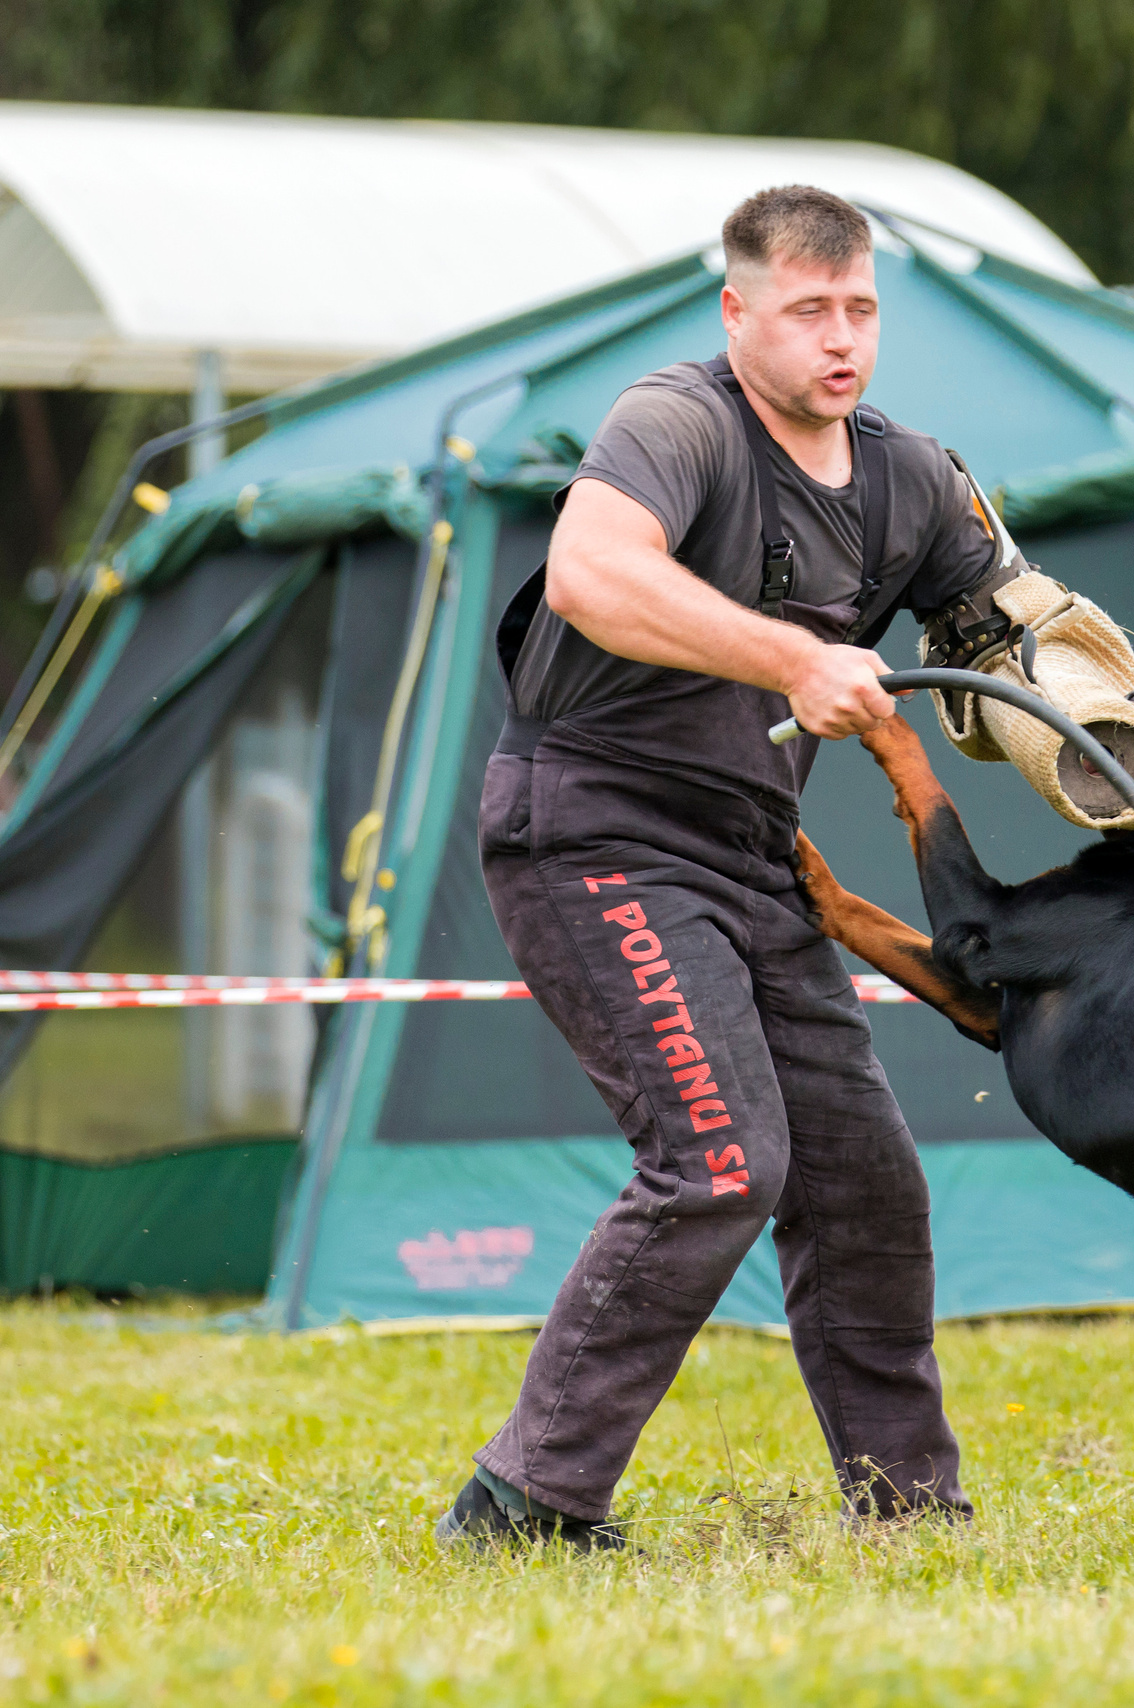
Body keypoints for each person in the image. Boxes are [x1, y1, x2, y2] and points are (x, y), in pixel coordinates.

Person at [438, 186, 1041, 1549]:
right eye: (809, 309)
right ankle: (524, 1506)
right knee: (719, 1162)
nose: (842, 338)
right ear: (738, 311)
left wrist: (1097, 713)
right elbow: (592, 575)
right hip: (591, 831)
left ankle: (911, 1515)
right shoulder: (677, 420)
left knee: (866, 1181)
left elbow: (1017, 623)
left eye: (862, 309)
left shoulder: (910, 475)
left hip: (753, 853)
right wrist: (791, 654)